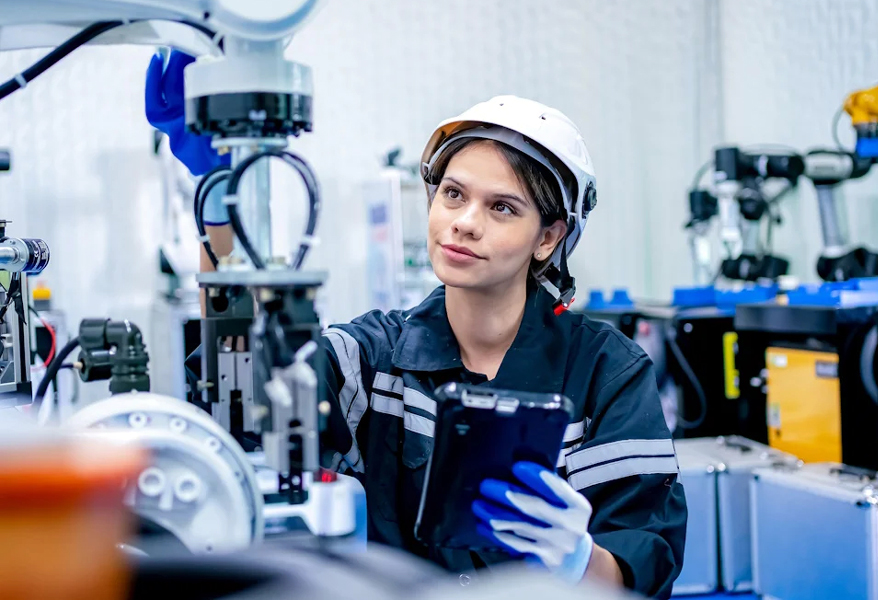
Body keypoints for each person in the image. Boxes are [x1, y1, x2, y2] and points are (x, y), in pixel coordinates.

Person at [147, 51, 687, 598]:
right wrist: (222, 194)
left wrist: (578, 561)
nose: (465, 223)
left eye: (502, 207)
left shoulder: (606, 372)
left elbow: (643, 566)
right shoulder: (371, 358)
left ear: (548, 238)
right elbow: (243, 397)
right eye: (453, 194)